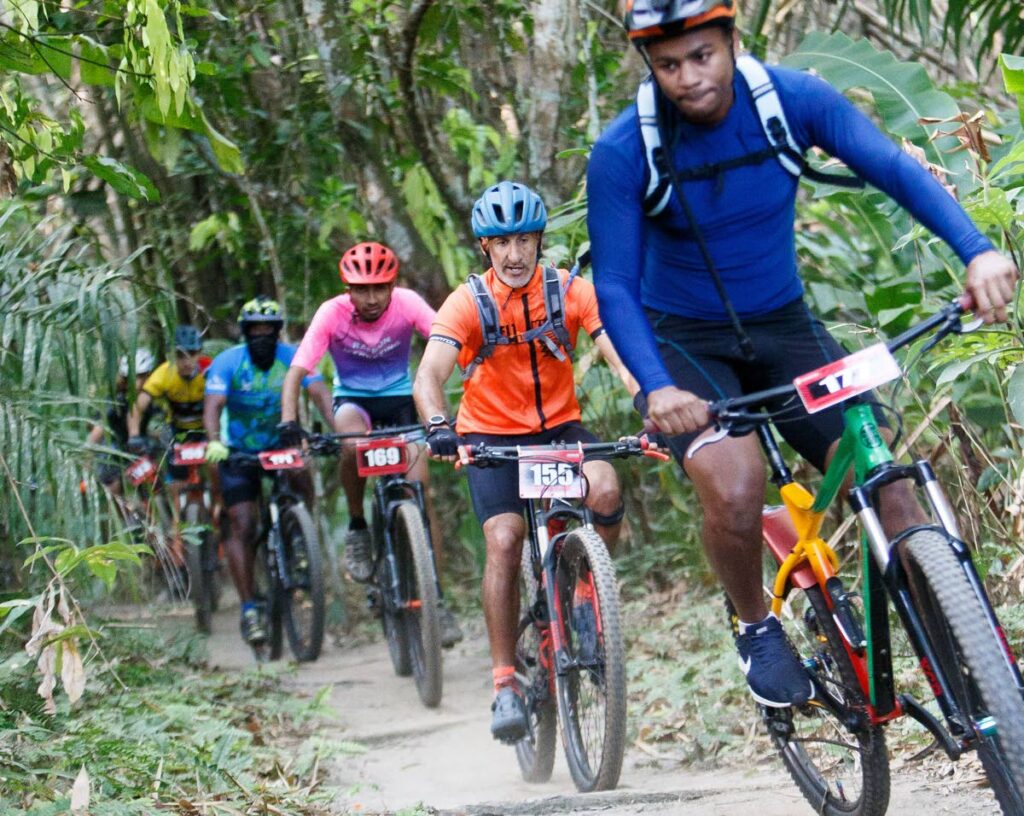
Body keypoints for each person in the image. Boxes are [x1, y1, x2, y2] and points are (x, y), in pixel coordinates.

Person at [587, 0, 1019, 708]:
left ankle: (975, 670)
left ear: (731, 40)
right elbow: (615, 285)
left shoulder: (793, 100)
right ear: (649, 68)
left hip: (785, 328)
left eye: (703, 55)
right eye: (668, 66)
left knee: (890, 487)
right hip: (683, 344)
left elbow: (891, 168)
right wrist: (657, 385)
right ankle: (755, 623)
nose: (690, 78)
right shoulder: (624, 151)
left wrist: (977, 251)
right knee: (734, 486)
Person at [414, 180, 639, 742]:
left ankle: (587, 599)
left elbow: (617, 354)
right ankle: (505, 683)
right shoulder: (468, 302)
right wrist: (439, 426)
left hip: (558, 429)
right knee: (506, 540)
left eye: (525, 240)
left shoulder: (570, 291)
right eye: (502, 243)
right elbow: (430, 376)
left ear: (540, 241)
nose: (515, 254)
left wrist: (649, 400)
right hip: (490, 439)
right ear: (484, 249)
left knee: (606, 487)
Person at [279, 241, 464, 647]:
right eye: (361, 289)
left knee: (421, 491)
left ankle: (436, 597)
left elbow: (450, 342)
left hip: (401, 403)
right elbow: (296, 372)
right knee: (351, 443)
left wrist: (471, 391)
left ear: (392, 285)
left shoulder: (409, 304)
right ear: (348, 289)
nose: (371, 298)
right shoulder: (332, 313)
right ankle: (359, 525)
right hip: (355, 403)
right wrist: (289, 421)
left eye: (379, 288)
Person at [203, 296, 335, 645]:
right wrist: (214, 441)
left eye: (268, 330)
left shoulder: (294, 357)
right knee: (243, 523)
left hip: (279, 444)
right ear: (245, 333)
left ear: (278, 332)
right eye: (254, 330)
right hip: (238, 451)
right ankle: (249, 608)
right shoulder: (227, 362)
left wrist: (339, 431)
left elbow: (320, 393)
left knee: (300, 471)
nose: (262, 336)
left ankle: (298, 534)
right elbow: (213, 406)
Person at [127, 326, 213, 537]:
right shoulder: (164, 374)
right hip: (176, 431)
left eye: (191, 354)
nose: (186, 361)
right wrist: (134, 435)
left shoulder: (209, 369)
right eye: (179, 356)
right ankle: (177, 527)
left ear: (199, 353)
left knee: (218, 468)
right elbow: (138, 406)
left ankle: (219, 510)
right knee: (175, 481)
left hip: (208, 428)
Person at [86, 348, 157, 500]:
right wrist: (86, 456)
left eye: (140, 376)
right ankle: (120, 511)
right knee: (114, 485)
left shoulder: (151, 398)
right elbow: (97, 431)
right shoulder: (116, 401)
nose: (136, 382)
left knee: (154, 480)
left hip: (137, 447)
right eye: (132, 378)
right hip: (113, 448)